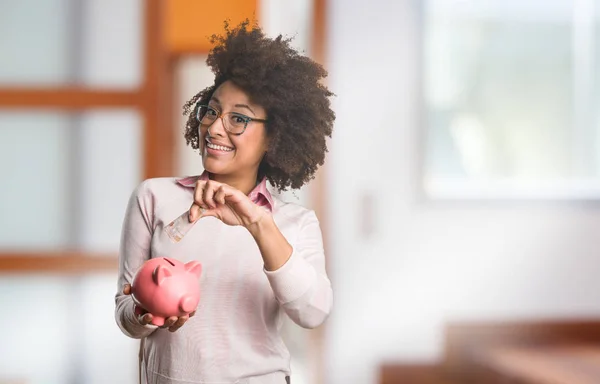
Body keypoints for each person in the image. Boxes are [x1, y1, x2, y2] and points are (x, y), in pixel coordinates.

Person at [115, 20, 335, 384]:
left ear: (273, 137)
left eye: (238, 119)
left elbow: (313, 312)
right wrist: (146, 313)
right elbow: (125, 313)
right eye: (212, 111)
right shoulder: (153, 197)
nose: (215, 128)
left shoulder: (295, 223)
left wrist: (258, 224)